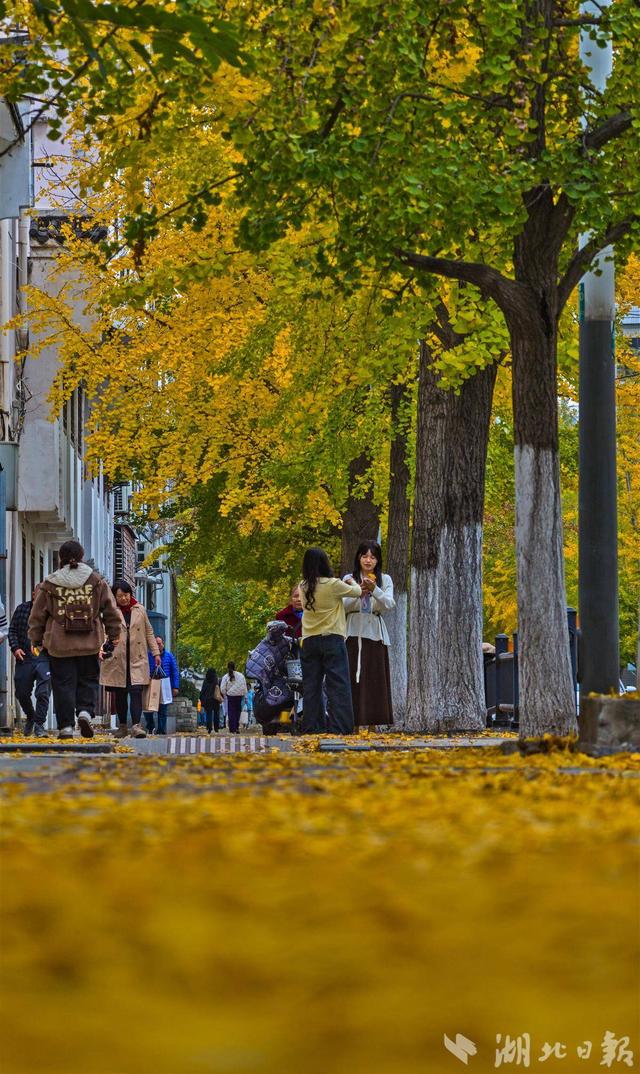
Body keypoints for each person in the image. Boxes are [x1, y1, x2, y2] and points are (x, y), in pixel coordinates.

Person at [28, 540, 121, 739]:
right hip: (89, 642)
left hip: (59, 645)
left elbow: (37, 615)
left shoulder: (50, 583)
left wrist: (35, 639)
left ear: (60, 558)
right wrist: (114, 635)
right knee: (88, 680)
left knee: (63, 684)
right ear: (81, 556)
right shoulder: (96, 581)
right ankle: (85, 712)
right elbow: (110, 610)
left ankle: (66, 727)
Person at [298, 547, 361, 735]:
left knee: (311, 686)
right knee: (338, 684)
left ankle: (312, 726)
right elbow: (357, 592)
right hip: (332, 638)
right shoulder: (333, 584)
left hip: (309, 640)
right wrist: (350, 580)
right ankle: (339, 726)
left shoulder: (303, 586)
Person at [344, 540, 395, 728]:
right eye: (365, 556)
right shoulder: (348, 578)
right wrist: (359, 592)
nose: (368, 560)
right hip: (353, 631)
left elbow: (389, 604)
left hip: (375, 633)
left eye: (373, 557)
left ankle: (374, 724)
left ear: (378, 560)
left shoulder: (385, 579)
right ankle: (354, 723)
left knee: (375, 679)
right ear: (358, 557)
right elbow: (342, 606)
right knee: (353, 678)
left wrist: (374, 590)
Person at [99, 580, 160, 738]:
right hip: (117, 658)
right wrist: (101, 648)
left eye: (126, 595)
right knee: (120, 692)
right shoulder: (110, 611)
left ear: (130, 594)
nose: (123, 599)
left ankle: (136, 725)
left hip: (137, 657)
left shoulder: (140, 609)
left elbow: (149, 632)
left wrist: (156, 653)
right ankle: (123, 726)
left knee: (136, 691)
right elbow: (103, 632)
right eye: (119, 596)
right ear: (114, 596)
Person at [9, 587, 52, 736]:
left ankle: (39, 725)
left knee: (43, 692)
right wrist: (15, 648)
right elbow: (12, 630)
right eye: (38, 593)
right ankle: (31, 716)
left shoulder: (51, 613)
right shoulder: (22, 609)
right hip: (24, 656)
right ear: (33, 594)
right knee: (21, 692)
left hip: (44, 657)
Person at [144, 636, 179, 734]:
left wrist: (175, 687)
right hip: (151, 685)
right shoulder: (148, 656)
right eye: (156, 644)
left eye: (159, 643)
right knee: (148, 709)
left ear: (163, 644)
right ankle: (150, 727)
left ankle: (161, 730)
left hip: (165, 685)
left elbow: (175, 672)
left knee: (162, 709)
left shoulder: (169, 656)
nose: (158, 646)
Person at [219, 661, 247, 734]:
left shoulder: (225, 677)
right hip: (239, 696)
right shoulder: (241, 676)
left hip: (230, 696)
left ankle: (232, 728)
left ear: (228, 667)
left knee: (231, 712)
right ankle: (236, 727)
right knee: (237, 711)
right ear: (235, 667)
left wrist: (226, 693)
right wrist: (244, 695)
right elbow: (244, 686)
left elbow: (222, 688)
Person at [199, 668, 221, 733]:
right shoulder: (215, 680)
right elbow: (218, 689)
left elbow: (203, 690)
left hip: (207, 699)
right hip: (215, 699)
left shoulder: (205, 680)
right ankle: (216, 728)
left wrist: (201, 698)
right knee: (216, 713)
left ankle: (209, 728)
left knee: (209, 713)